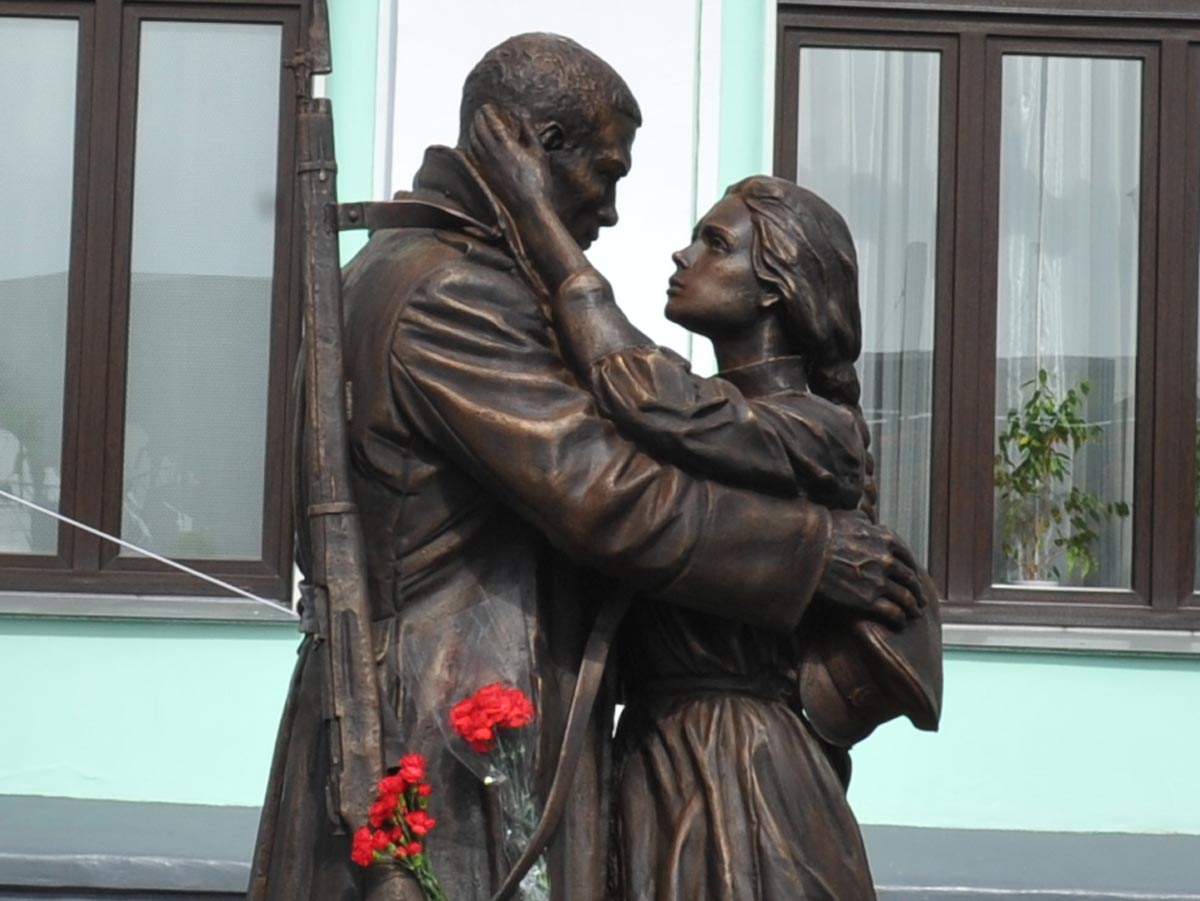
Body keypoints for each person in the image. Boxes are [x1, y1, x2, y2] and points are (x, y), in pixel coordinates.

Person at [249, 33, 932, 901]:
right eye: (605, 174)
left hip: (516, 732)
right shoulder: (456, 290)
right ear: (537, 146)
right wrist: (810, 553)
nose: (610, 213)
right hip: (451, 731)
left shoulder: (397, 270)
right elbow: (604, 495)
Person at [468, 109, 941, 899]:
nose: (684, 256)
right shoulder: (703, 424)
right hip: (655, 754)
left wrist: (539, 221)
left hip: (742, 766)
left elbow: (646, 392)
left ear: (777, 286)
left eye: (715, 244)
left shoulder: (817, 432)